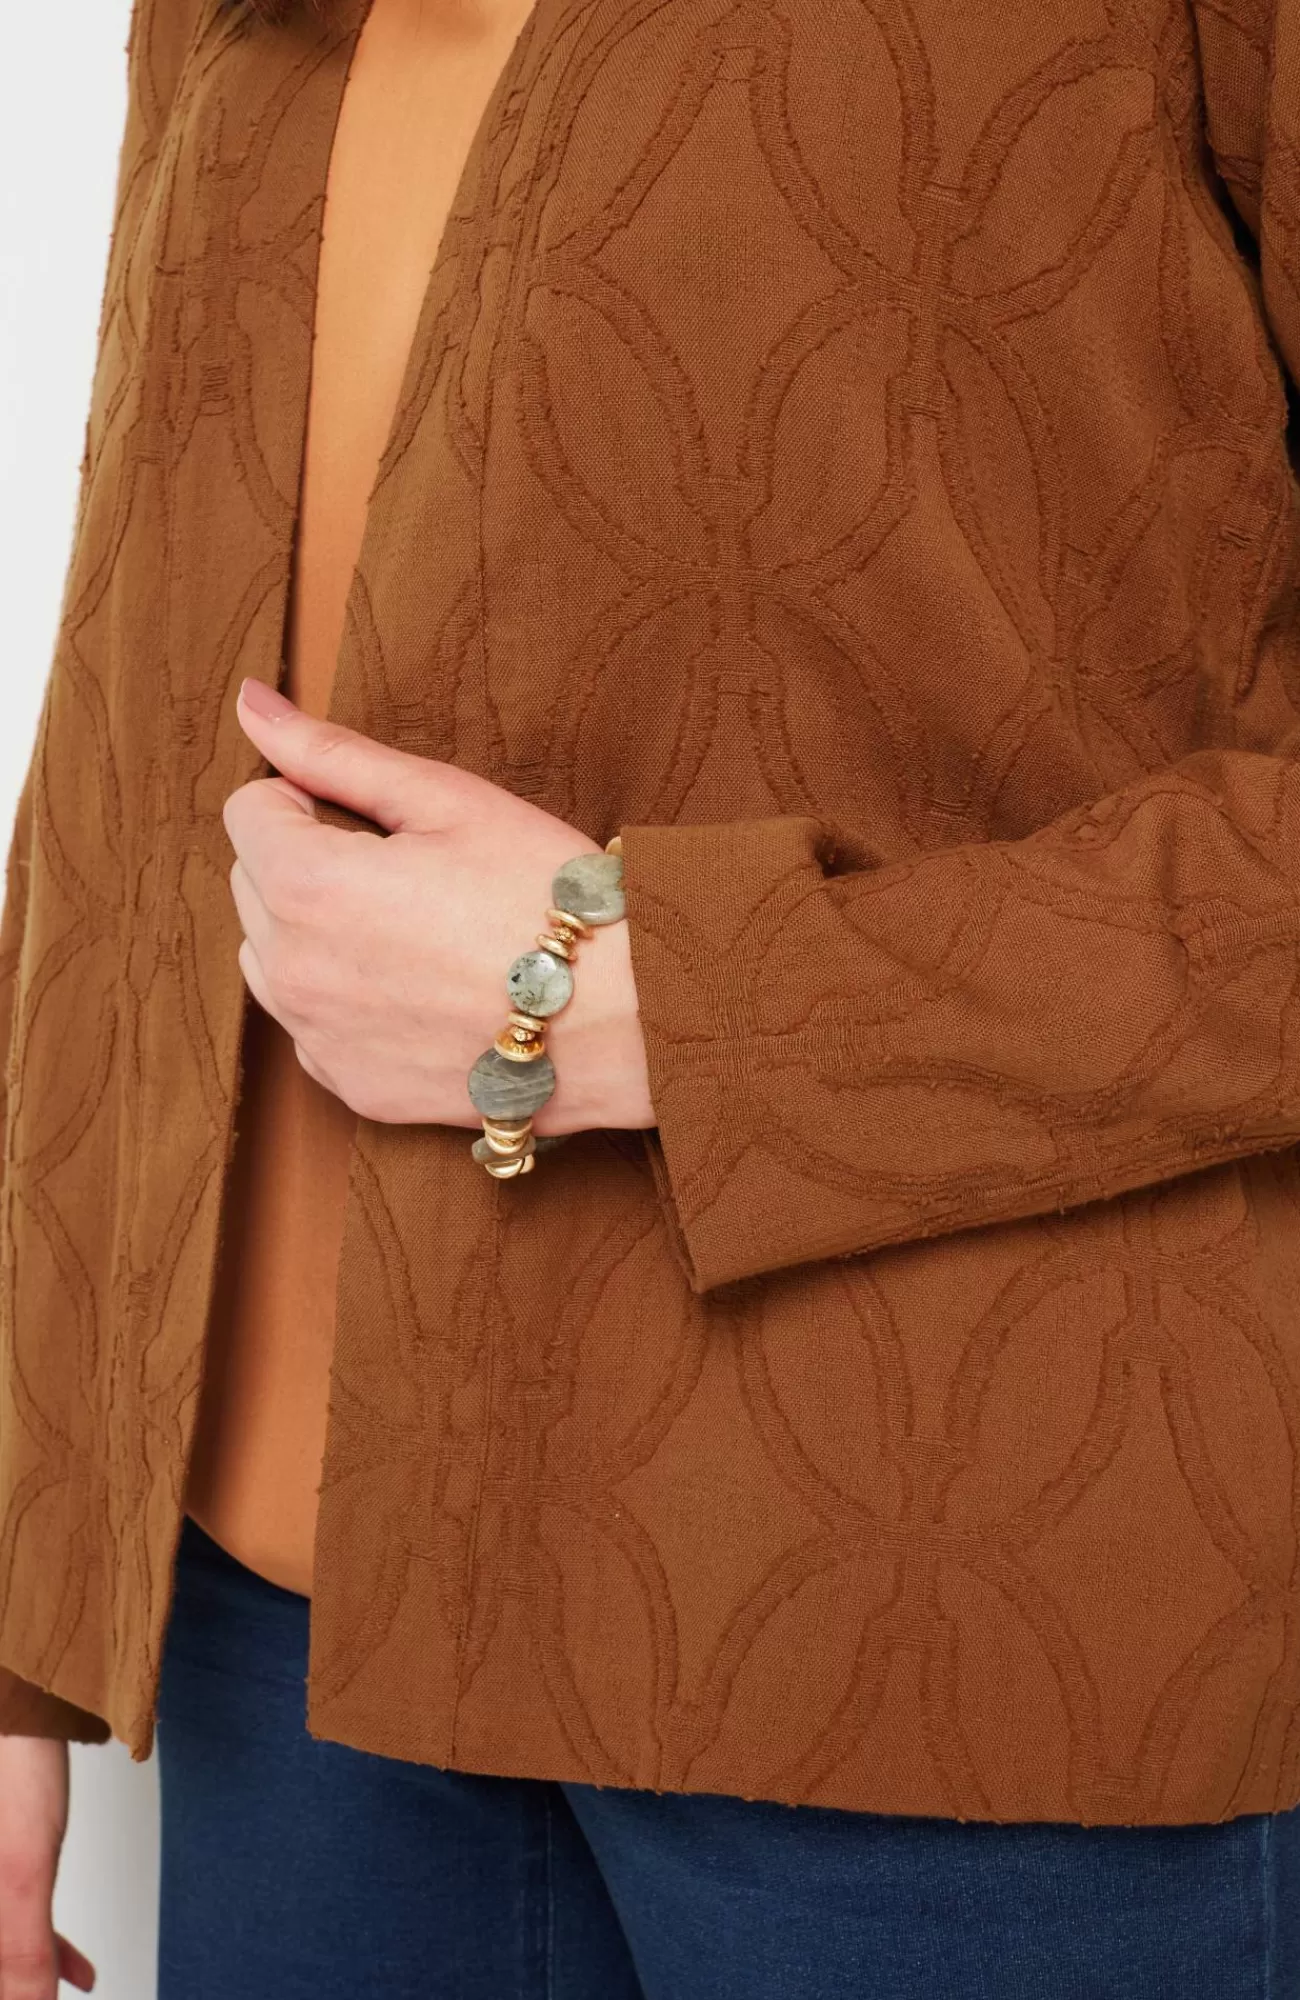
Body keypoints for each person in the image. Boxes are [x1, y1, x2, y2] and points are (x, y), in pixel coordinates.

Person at [3, 0, 1300, 1992]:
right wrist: (24, 1596)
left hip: (946, 1667)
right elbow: (136, 699)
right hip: (282, 1634)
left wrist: (698, 1003)